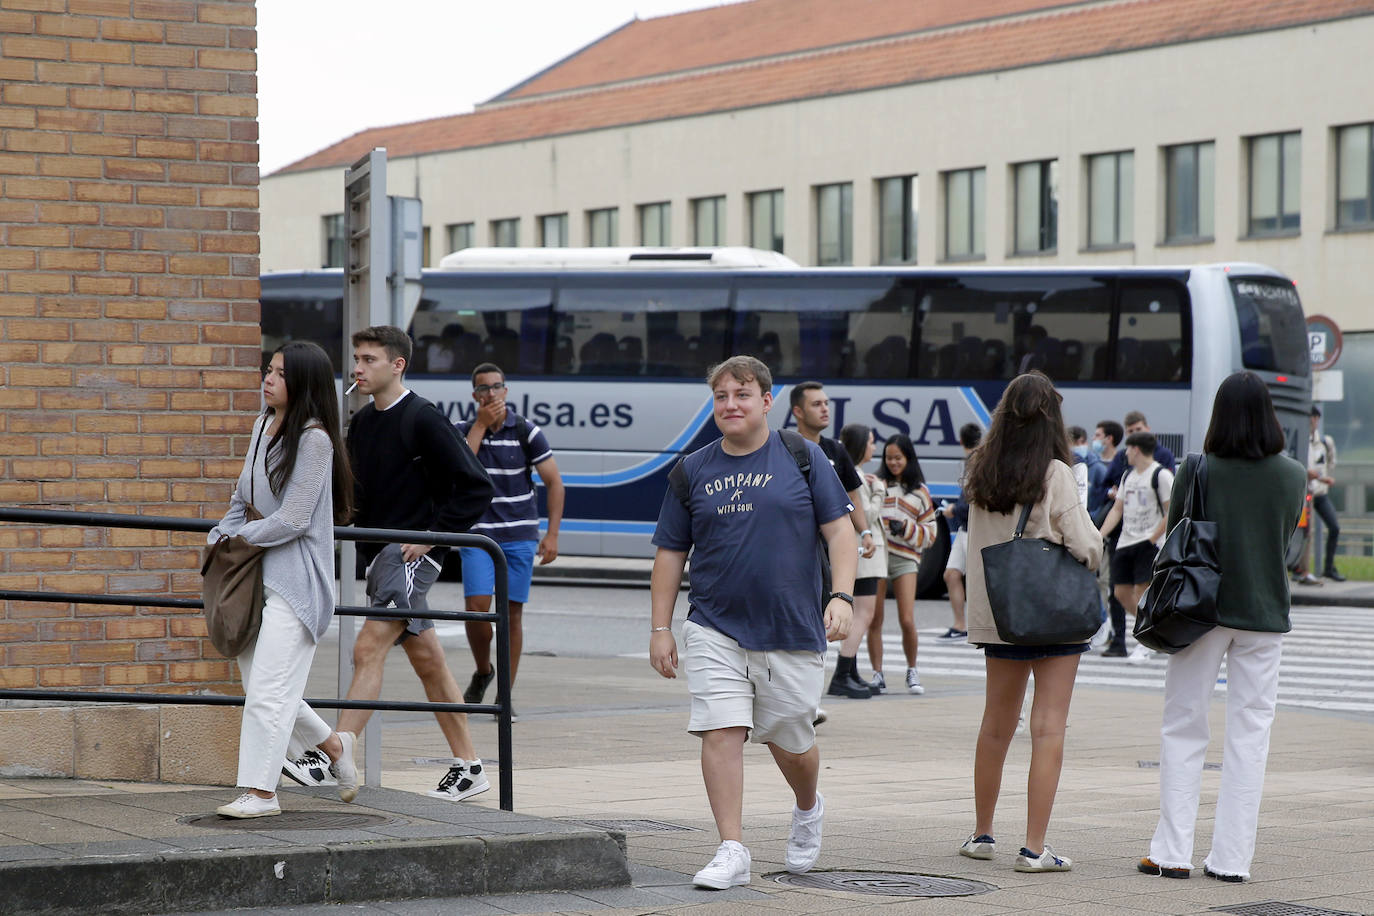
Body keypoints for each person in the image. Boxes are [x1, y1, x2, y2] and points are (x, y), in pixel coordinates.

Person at [649, 356, 857, 890]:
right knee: (720, 729)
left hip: (792, 627)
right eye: (721, 396)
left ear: (766, 401)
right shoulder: (691, 470)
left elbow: (841, 534)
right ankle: (732, 848)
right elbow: (671, 554)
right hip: (715, 626)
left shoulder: (803, 457)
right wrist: (661, 628)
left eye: (741, 395)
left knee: (791, 739)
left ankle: (808, 805)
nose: (730, 405)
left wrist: (842, 596)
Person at [283, 326, 495, 802]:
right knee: (428, 662)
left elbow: (476, 486)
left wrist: (432, 535)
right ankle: (470, 767)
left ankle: (331, 755)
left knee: (368, 648)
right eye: (356, 359)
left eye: (369, 359)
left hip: (409, 556)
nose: (357, 368)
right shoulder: (362, 422)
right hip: (378, 556)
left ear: (397, 365)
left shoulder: (423, 418)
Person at [1138, 371, 1305, 883]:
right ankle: (1232, 861)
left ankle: (1171, 853)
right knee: (1250, 736)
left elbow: (1179, 536)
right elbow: (1283, 547)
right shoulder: (1293, 474)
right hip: (1264, 614)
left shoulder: (1196, 467)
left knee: (1184, 724)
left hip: (1199, 611)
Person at [959, 371, 1103, 872]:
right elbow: (1084, 543)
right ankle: (1034, 848)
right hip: (1054, 616)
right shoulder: (1055, 472)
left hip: (1001, 614)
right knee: (1048, 729)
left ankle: (981, 833)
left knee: (995, 726)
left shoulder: (980, 469)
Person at [210, 341, 358, 818]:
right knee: (265, 690)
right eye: (267, 370)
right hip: (252, 581)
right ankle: (334, 746)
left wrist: (239, 538)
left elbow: (293, 519)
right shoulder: (261, 426)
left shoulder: (314, 440)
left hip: (297, 585)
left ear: (304, 384)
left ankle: (261, 793)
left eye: (279, 374)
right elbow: (243, 496)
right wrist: (222, 533)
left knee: (268, 697)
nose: (268, 379)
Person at [457, 362, 566, 711]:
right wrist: (481, 426)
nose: (491, 394)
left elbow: (554, 483)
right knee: (476, 610)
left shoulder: (526, 431)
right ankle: (483, 670)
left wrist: (552, 535)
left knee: (511, 614)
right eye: (483, 388)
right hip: (478, 535)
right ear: (475, 396)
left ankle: (506, 693)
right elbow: (461, 469)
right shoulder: (465, 429)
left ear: (506, 391)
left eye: (496, 387)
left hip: (519, 535)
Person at [1098, 431, 1173, 658]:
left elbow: (1171, 511)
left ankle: (1146, 638)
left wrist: (1153, 538)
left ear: (1136, 449)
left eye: (1128, 449)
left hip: (1149, 542)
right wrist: (1100, 534)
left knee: (1142, 590)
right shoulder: (1127, 476)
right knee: (1120, 593)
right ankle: (1154, 628)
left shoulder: (1161, 475)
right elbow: (1117, 509)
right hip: (1125, 541)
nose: (1126, 453)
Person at [875, 433, 938, 695]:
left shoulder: (920, 492)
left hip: (905, 559)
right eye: (889, 458)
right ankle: (877, 674)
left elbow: (931, 533)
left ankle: (912, 670)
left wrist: (907, 529)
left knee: (907, 619)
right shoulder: (878, 485)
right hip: (879, 556)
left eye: (898, 458)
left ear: (908, 458)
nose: (893, 462)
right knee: (873, 620)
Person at [828, 424, 885, 699]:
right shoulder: (860, 478)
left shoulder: (857, 473)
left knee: (863, 613)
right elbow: (865, 513)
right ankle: (843, 672)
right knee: (863, 613)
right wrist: (879, 492)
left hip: (860, 549)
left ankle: (849, 672)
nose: (874, 447)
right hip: (863, 550)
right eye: (871, 442)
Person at [940, 422, 983, 643]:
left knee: (976, 579)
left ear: (960, 440)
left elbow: (973, 501)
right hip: (965, 528)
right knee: (951, 574)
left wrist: (953, 509)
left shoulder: (978, 461)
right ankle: (960, 625)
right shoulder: (974, 461)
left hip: (973, 529)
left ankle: (978, 626)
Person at [1299, 405, 1344, 584]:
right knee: (1305, 533)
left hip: (1320, 492)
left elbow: (1331, 461)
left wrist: (1325, 476)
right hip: (1305, 493)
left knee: (1334, 527)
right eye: (1310, 418)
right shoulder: (1301, 441)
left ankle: (1328, 568)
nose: (1312, 421)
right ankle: (1301, 569)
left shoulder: (1325, 442)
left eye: (1315, 418)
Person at [1069, 425, 1107, 516]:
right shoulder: (1067, 465)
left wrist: (1093, 517)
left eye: (1081, 442)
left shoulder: (1098, 468)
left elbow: (1105, 497)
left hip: (1090, 518)